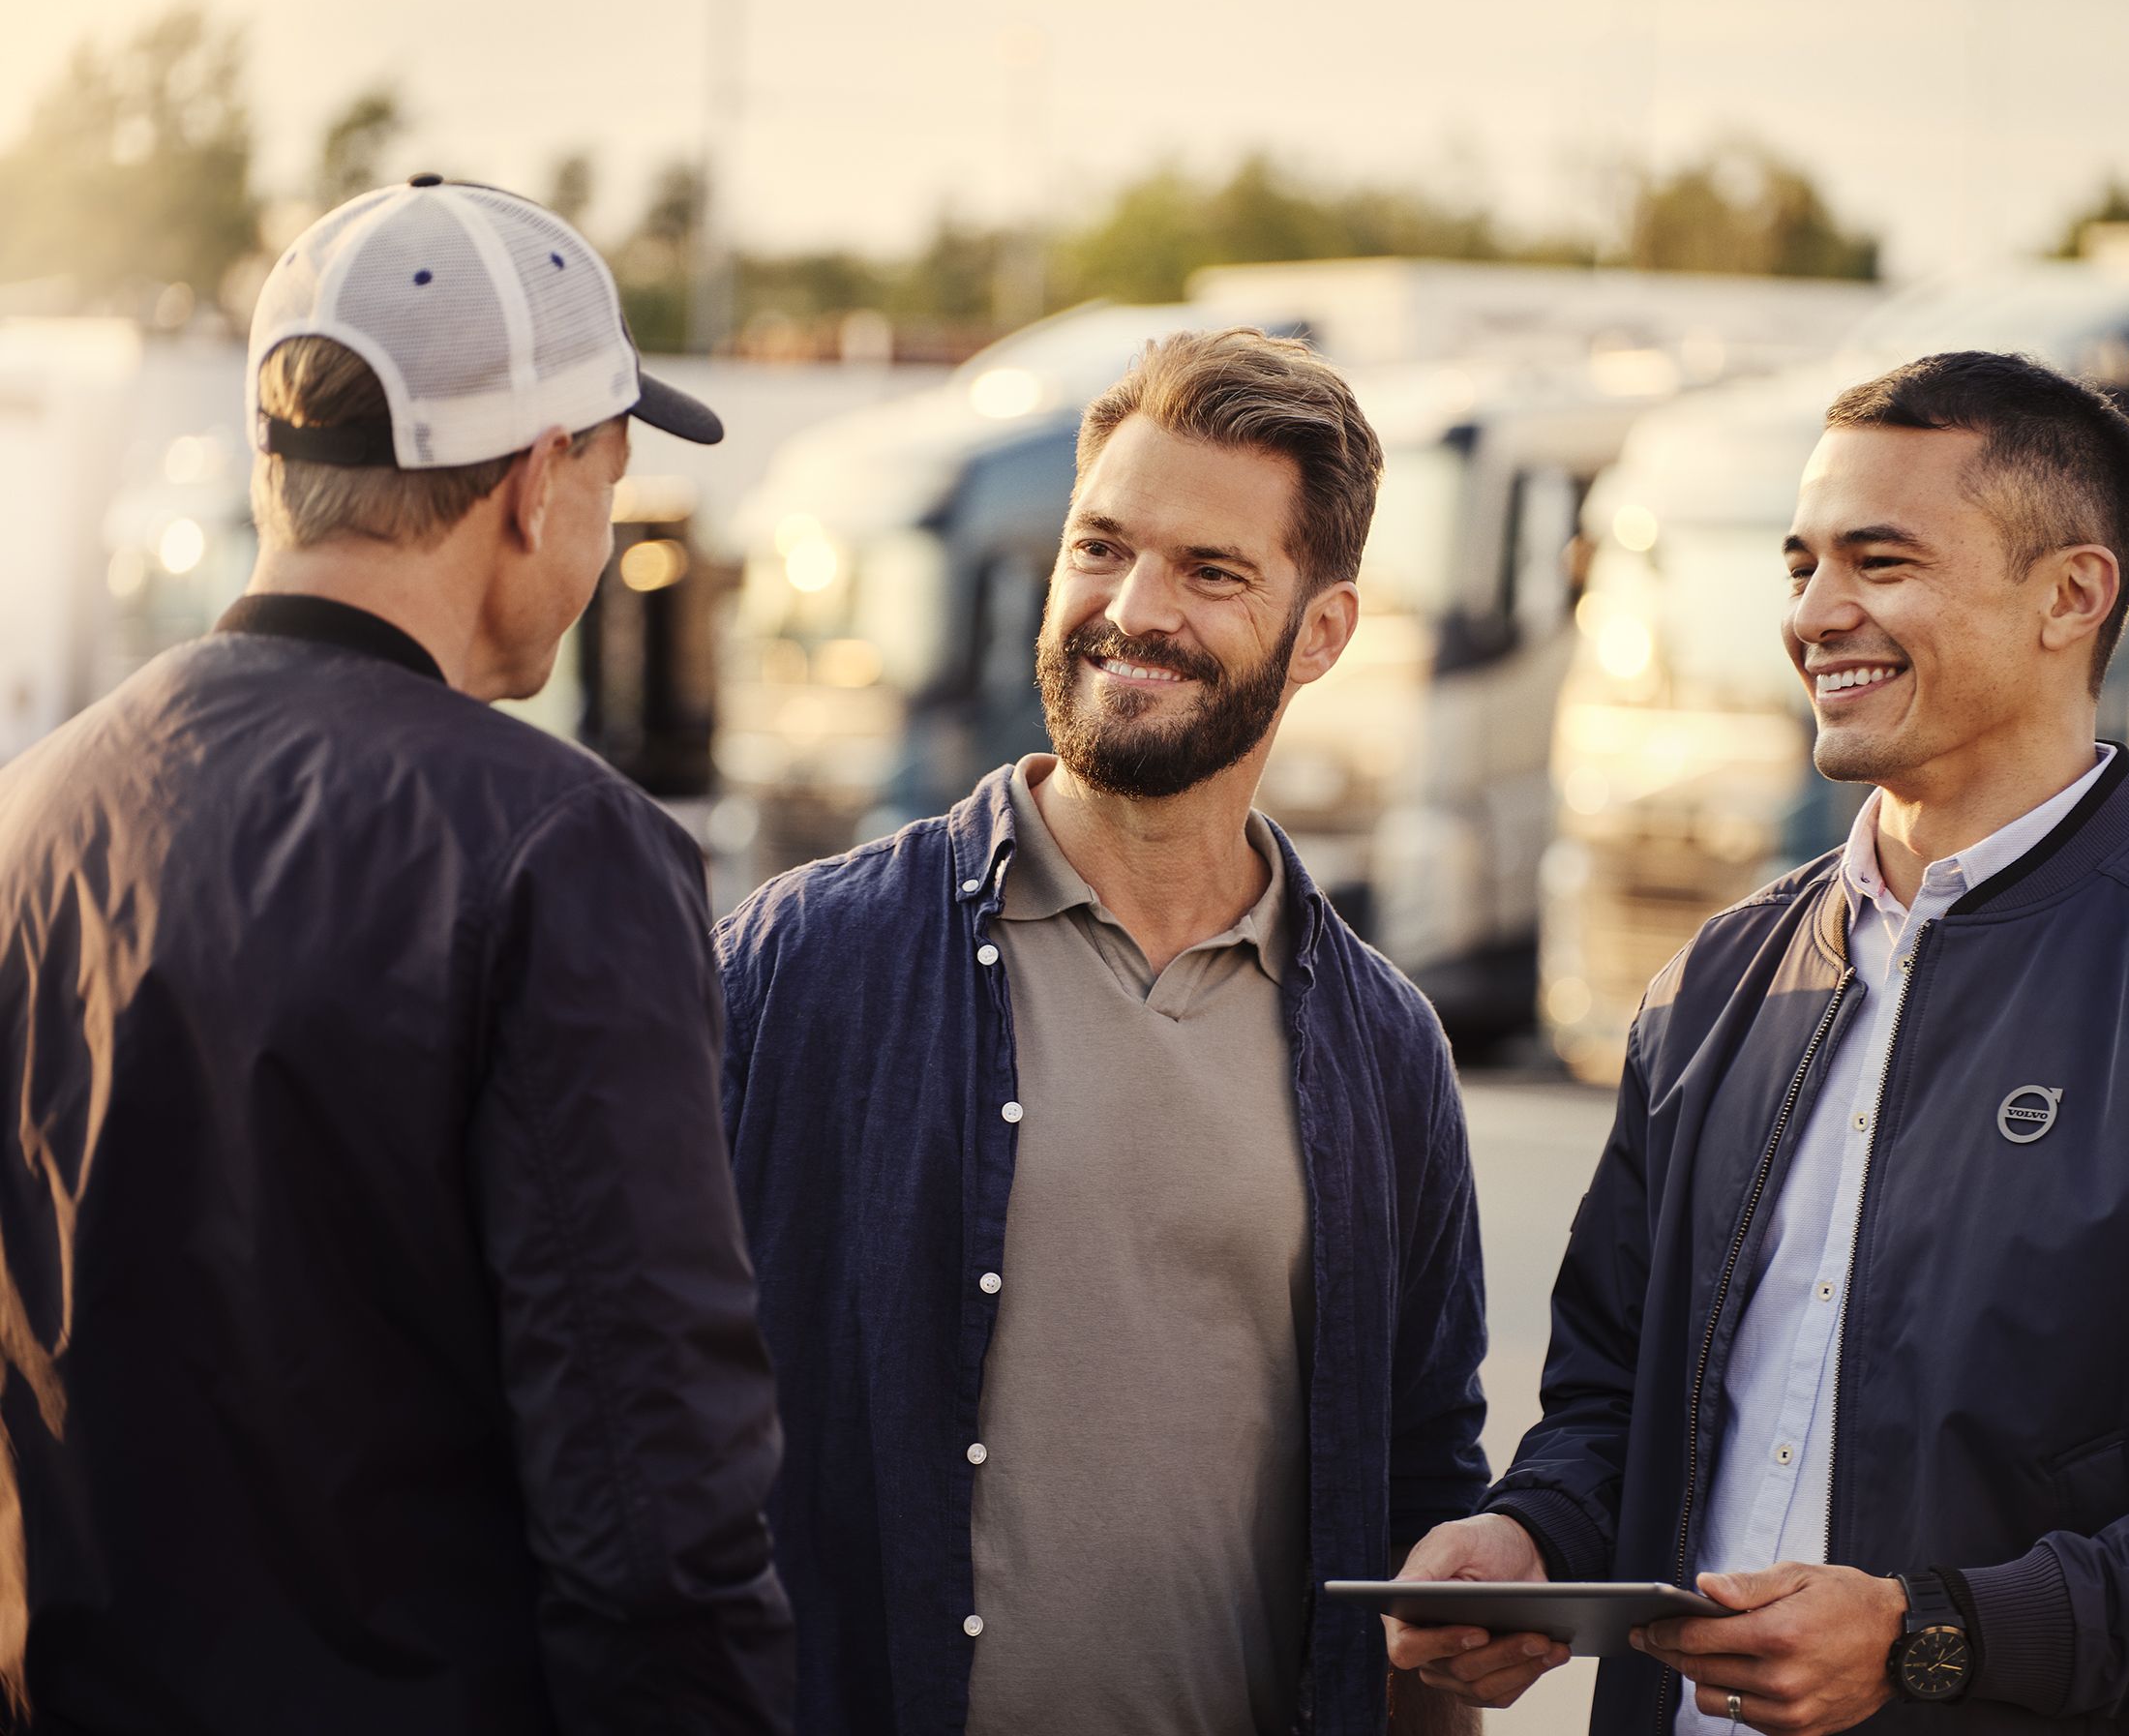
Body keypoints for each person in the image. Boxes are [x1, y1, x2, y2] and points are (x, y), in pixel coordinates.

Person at [1390, 350, 2129, 1734]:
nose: (1818, 615)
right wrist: (1534, 1544)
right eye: (1799, 564)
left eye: (1879, 562)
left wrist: (1926, 1639)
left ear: (2074, 594)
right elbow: (1606, 1393)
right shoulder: (1718, 984)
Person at [0, 178, 793, 1733]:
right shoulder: (559, 852)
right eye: (614, 481)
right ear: (536, 480)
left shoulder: (34, 810)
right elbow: (651, 1502)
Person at [717, 328, 1490, 1736]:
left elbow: (1420, 1498)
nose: (1132, 609)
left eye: (1210, 571)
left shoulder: (1383, 1050)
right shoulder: (806, 963)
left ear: (1321, 632)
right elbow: (632, 1414)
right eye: (1101, 548)